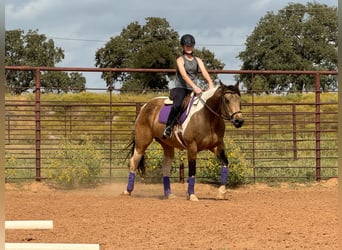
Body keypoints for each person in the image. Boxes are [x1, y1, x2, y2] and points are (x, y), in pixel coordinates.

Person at [162, 34, 215, 138]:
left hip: (194, 88)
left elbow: (204, 72)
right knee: (177, 105)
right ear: (183, 47)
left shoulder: (198, 60)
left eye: (191, 46)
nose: (189, 48)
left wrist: (210, 83)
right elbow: (184, 76)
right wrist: (194, 86)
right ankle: (168, 127)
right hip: (181, 88)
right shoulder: (180, 60)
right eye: (187, 46)